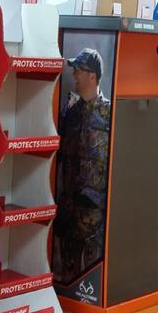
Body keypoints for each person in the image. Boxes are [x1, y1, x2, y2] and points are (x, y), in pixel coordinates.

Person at [53, 48, 111, 285]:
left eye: (79, 70)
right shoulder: (71, 111)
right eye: (74, 70)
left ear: (92, 77)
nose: (74, 75)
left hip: (93, 213)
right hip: (69, 206)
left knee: (92, 277)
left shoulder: (109, 113)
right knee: (67, 273)